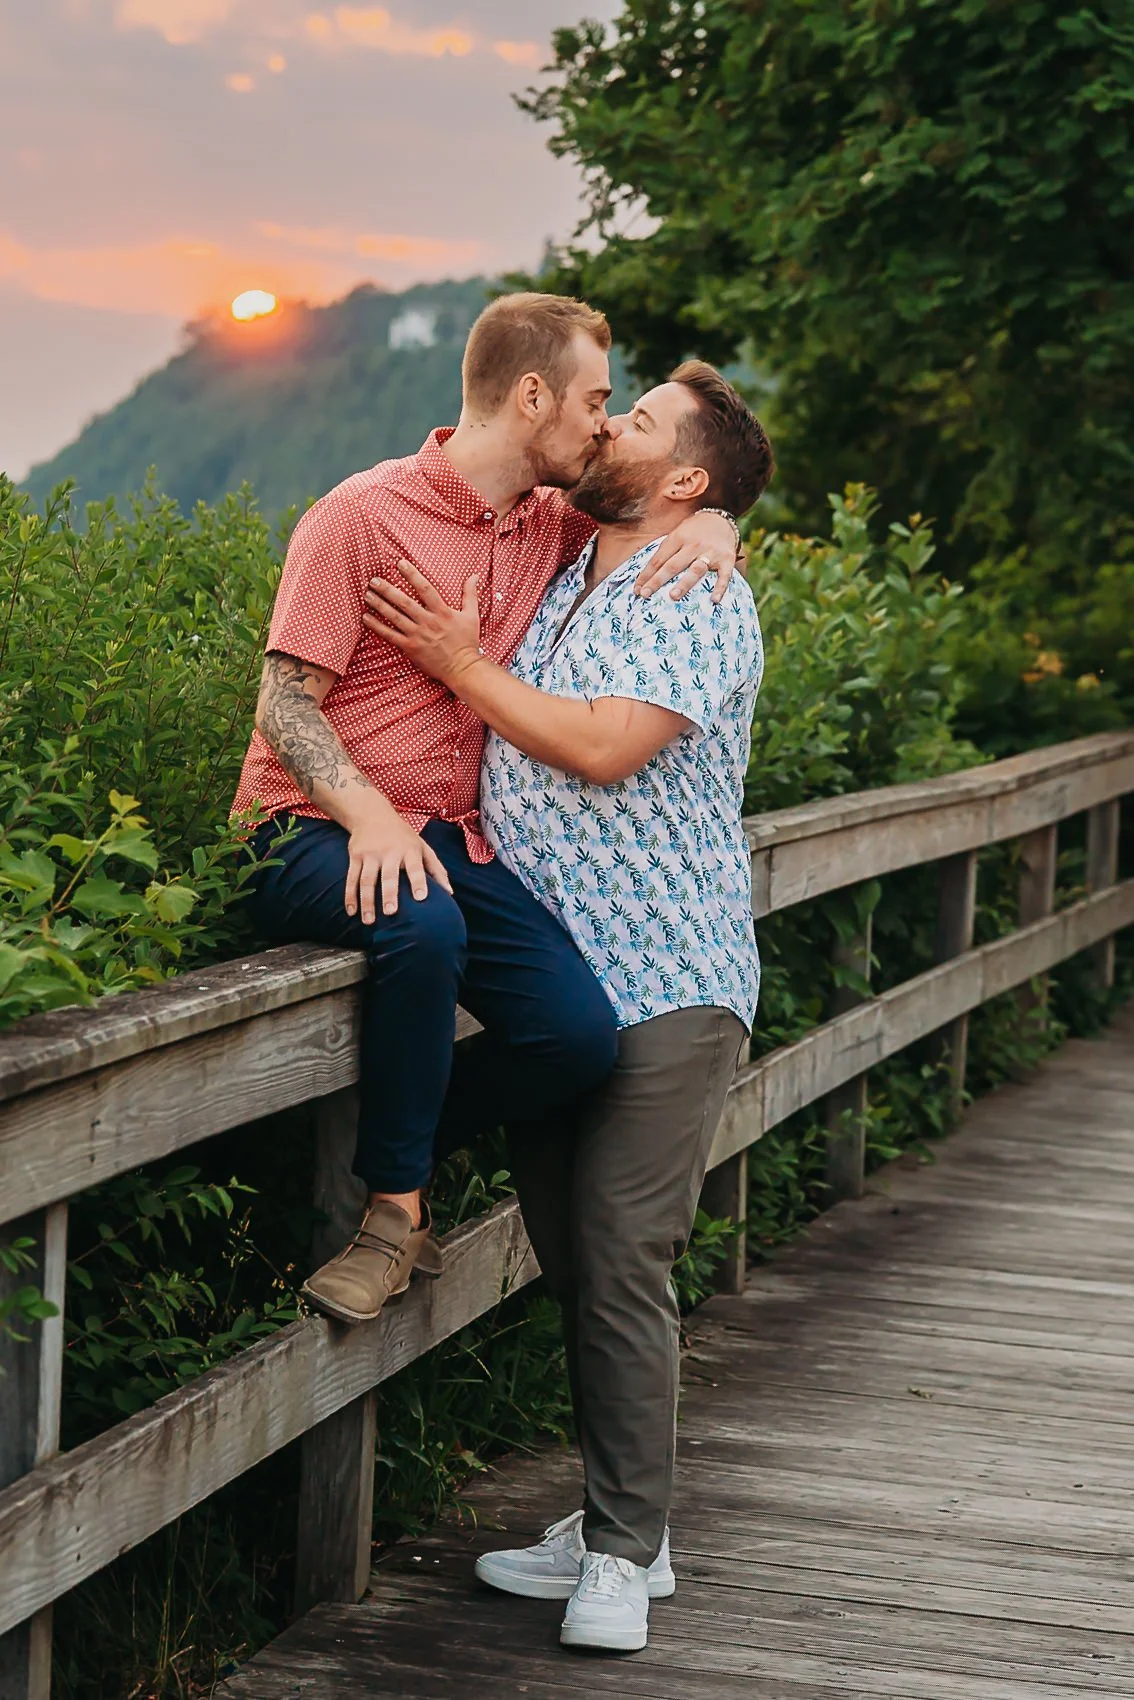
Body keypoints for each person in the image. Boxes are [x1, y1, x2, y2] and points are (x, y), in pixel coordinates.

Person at [363, 359, 772, 1652]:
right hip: (556, 987)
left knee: (617, 1254)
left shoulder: (697, 588)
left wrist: (453, 663)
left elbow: (602, 747)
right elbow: (492, 470)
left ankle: (622, 1552)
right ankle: (615, 1518)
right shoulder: (568, 557)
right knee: (573, 1259)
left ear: (687, 481)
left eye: (638, 420)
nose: (608, 425)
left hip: (669, 975)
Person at [231, 294, 744, 1322]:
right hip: (311, 827)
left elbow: (662, 503)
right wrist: (368, 815)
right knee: (422, 928)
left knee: (575, 1035)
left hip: (448, 842)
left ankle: (389, 1137)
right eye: (597, 401)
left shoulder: (548, 522)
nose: (605, 424)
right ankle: (389, 1218)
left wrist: (722, 523)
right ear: (531, 393)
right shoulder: (361, 514)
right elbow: (283, 702)